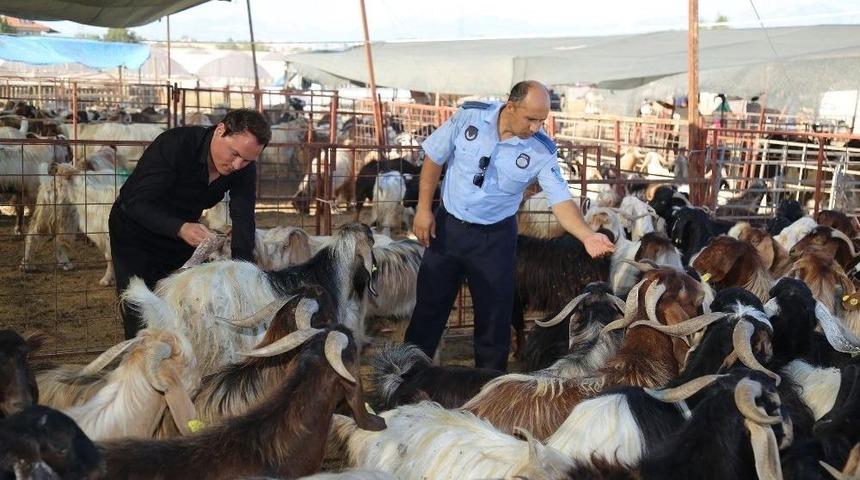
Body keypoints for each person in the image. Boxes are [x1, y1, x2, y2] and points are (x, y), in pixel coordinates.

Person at [404, 80, 615, 370]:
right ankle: (404, 383)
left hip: (495, 240)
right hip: (448, 230)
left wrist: (587, 236)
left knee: (494, 323)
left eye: (542, 121)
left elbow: (560, 200)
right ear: (511, 106)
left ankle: (487, 395)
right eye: (531, 119)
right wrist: (424, 209)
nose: (536, 128)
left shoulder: (541, 150)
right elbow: (434, 158)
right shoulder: (469, 117)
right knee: (428, 311)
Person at [109, 108, 271, 339]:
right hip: (134, 231)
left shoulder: (244, 168)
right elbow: (136, 203)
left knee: (184, 301)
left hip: (181, 236)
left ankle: (179, 362)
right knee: (140, 307)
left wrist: (241, 271)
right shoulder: (175, 145)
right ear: (220, 130)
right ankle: (143, 364)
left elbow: (244, 218)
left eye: (247, 160)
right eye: (234, 154)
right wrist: (180, 228)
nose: (237, 165)